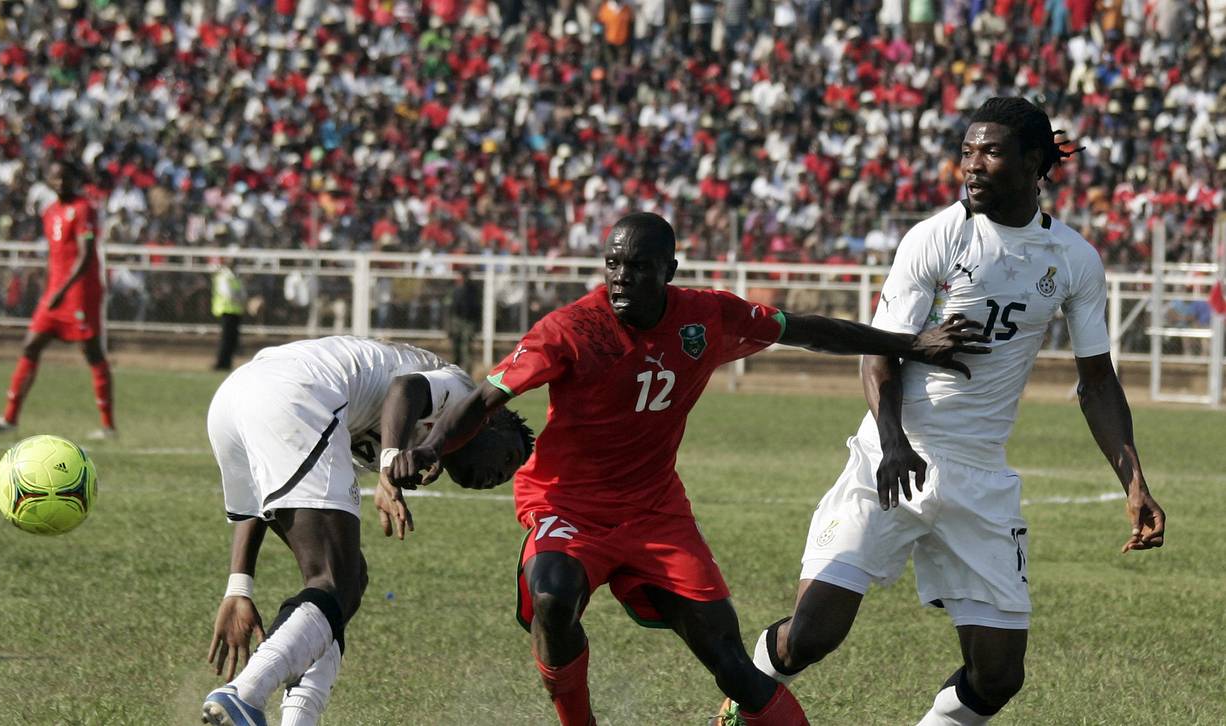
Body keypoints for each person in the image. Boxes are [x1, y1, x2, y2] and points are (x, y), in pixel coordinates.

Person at [389, 212, 990, 725]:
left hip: (655, 512)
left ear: (668, 271)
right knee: (553, 595)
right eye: (613, 265)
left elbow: (805, 330)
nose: (623, 278)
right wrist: (431, 448)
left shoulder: (708, 318)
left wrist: (907, 343)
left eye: (640, 267)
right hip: (566, 504)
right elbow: (483, 399)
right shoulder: (571, 329)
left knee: (726, 657)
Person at [727, 97, 1167, 725]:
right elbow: (879, 355)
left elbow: (1097, 381)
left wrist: (1134, 483)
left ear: (1035, 162)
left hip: (980, 476)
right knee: (813, 634)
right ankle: (744, 697)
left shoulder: (1072, 259)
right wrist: (894, 441)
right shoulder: (936, 238)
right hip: (892, 457)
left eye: (990, 151)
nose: (972, 166)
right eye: (967, 151)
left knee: (998, 675)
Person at [200, 336, 534, 726]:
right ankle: (245, 693)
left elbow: (255, 502)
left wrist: (239, 588)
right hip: (295, 393)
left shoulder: (420, 442)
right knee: (336, 581)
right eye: (510, 458)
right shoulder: (463, 393)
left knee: (347, 579)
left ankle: (295, 719)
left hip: (235, 399)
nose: (500, 477)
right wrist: (391, 462)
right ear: (490, 420)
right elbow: (405, 388)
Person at [0, 160, 116, 439]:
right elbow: (56, 257)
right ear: (49, 181)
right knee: (31, 345)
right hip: (55, 292)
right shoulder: (50, 212)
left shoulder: (83, 208)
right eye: (55, 178)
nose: (60, 183)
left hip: (79, 294)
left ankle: (108, 426)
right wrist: (49, 288)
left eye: (65, 178)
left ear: (74, 180)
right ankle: (9, 418)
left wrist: (62, 291)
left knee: (92, 353)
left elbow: (85, 255)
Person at [212, 253, 246, 370]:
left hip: (236, 311)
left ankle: (227, 363)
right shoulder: (224, 276)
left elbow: (242, 293)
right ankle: (220, 363)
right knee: (226, 339)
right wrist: (239, 299)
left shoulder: (235, 277)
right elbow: (227, 294)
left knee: (232, 339)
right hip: (226, 311)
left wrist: (241, 300)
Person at [445, 267, 479, 371]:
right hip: (456, 320)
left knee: (466, 348)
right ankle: (455, 371)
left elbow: (477, 307)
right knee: (456, 348)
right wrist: (448, 326)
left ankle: (467, 373)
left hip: (468, 321)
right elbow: (448, 308)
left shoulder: (474, 290)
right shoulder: (454, 289)